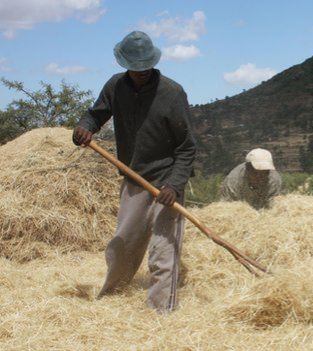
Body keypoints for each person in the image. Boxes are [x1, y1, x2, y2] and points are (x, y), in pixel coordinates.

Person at [72, 31, 195, 312]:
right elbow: (96, 113)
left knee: (163, 252)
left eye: (145, 67)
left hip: (166, 182)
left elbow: (187, 147)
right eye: (135, 68)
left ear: (153, 62)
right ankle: (112, 297)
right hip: (134, 176)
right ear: (124, 63)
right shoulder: (116, 86)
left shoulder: (172, 93)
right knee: (123, 244)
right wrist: (85, 127)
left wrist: (175, 185)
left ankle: (161, 311)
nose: (140, 72)